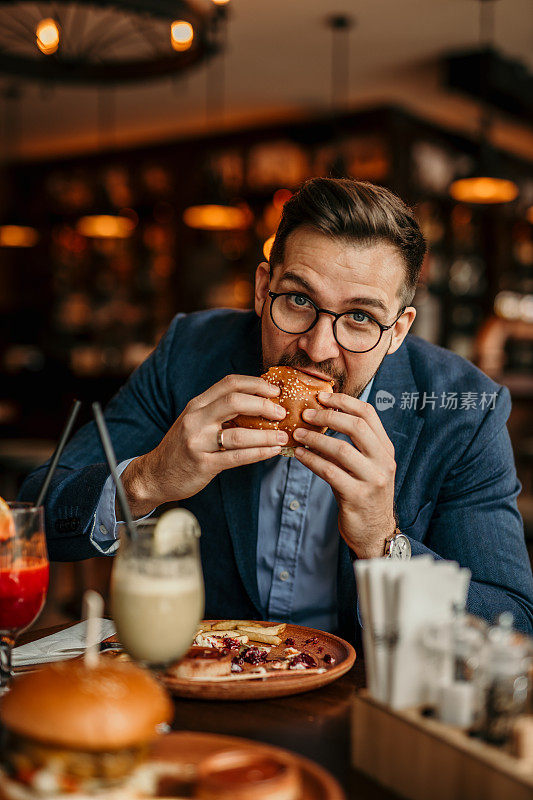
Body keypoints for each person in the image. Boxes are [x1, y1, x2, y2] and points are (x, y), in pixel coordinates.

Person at [20, 178, 533, 642]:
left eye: (359, 317)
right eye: (299, 301)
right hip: (205, 689)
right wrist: (151, 477)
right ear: (264, 289)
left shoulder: (467, 412)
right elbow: (38, 515)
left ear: (397, 331)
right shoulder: (189, 353)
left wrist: (383, 541)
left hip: (369, 711)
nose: (317, 348)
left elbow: (511, 625)